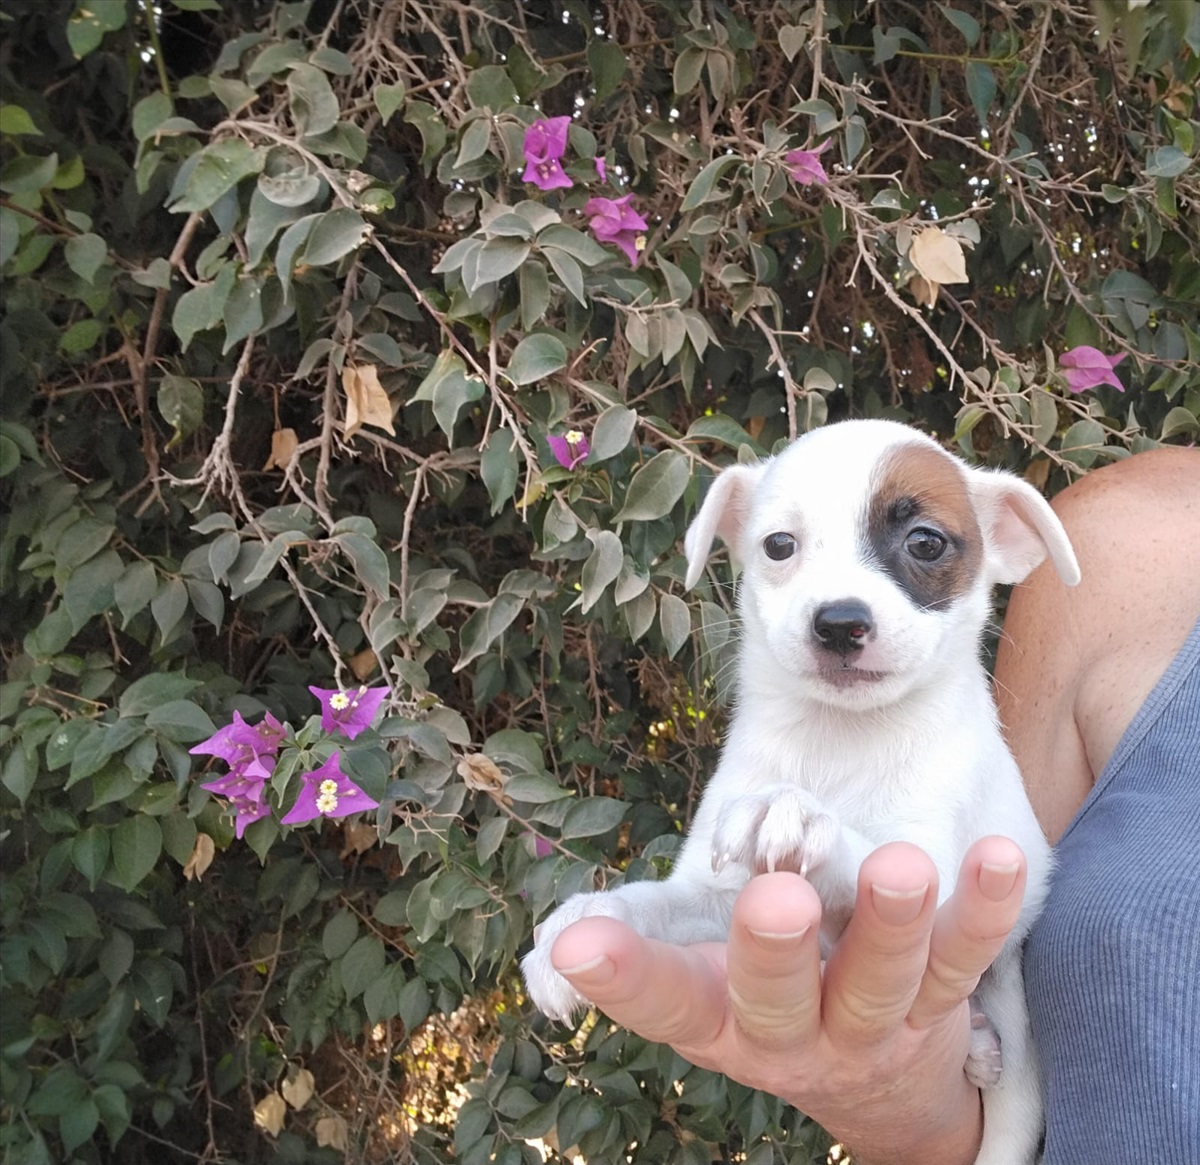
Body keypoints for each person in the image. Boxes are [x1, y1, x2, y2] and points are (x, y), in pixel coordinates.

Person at [548, 445, 1200, 1164]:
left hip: (995, 982)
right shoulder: (1139, 540)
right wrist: (621, 913)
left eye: (922, 545)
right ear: (730, 533)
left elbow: (920, 890)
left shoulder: (949, 742)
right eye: (782, 546)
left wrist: (830, 849)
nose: (841, 605)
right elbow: (708, 899)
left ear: (1009, 539)